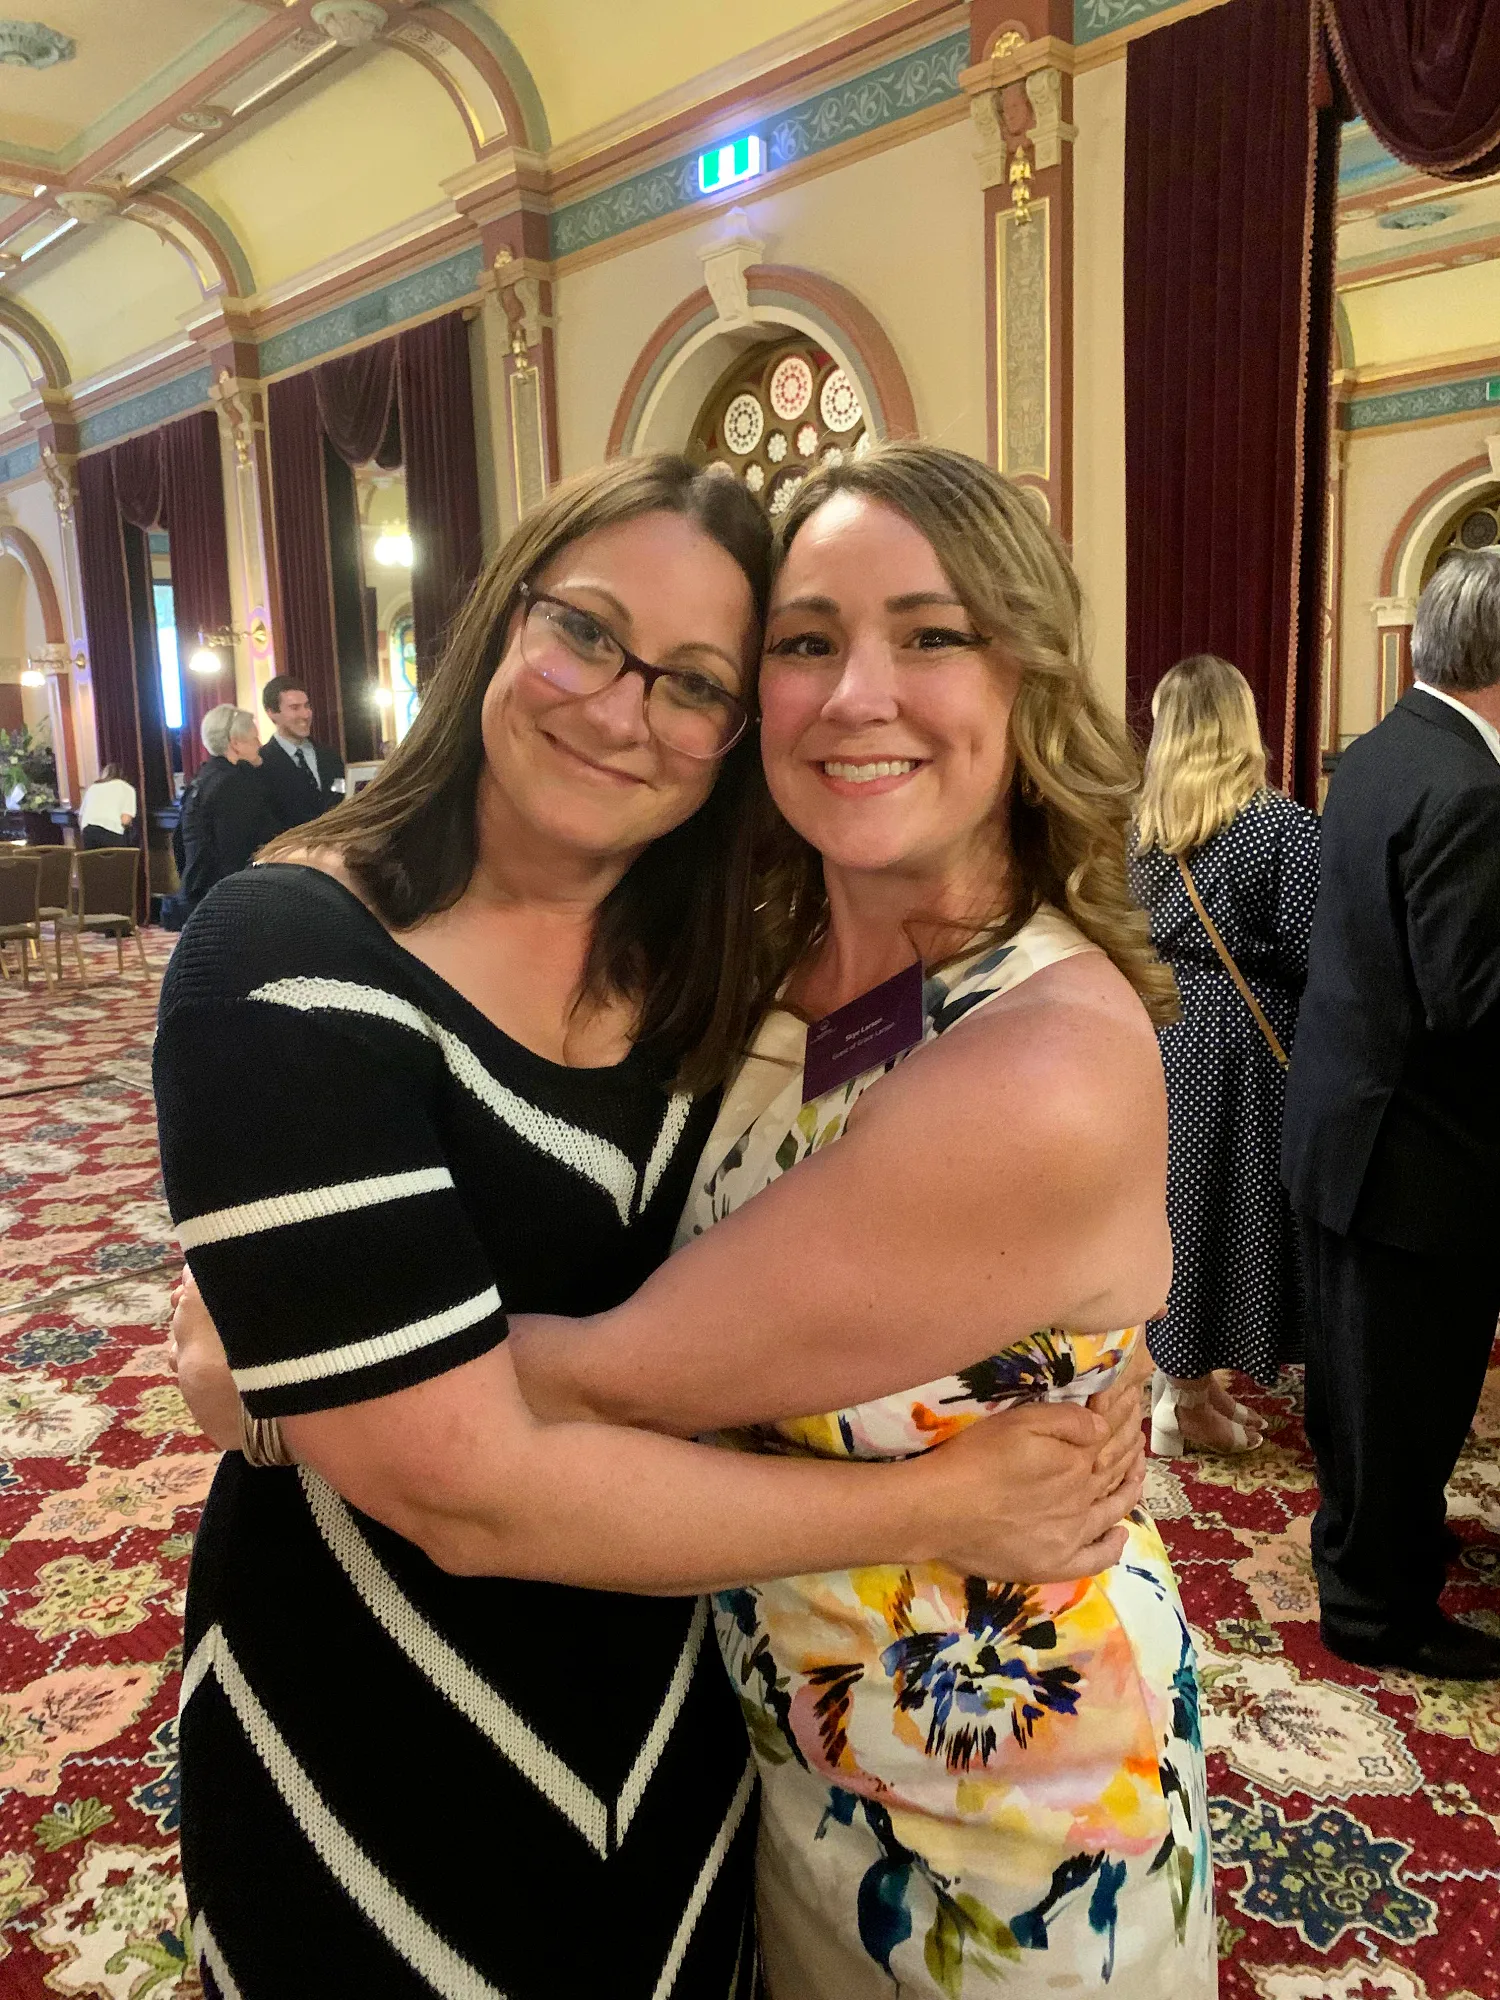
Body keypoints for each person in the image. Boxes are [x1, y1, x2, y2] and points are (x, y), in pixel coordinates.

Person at [158, 455, 1150, 2000]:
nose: (625, 710)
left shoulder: (877, 1013)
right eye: (587, 632)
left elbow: (591, 1381)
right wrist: (344, 1381)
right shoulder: (710, 962)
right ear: (502, 618)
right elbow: (470, 1472)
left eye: (694, 682)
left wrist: (297, 1386)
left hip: (886, 1760)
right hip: (401, 1721)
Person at [1283, 547, 1500, 1682]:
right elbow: (1471, 999)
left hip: (1348, 1129)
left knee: (1357, 1394)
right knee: (1403, 1399)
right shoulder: (1471, 789)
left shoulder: (1380, 748)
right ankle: (1378, 1611)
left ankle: (1372, 1550)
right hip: (1417, 1156)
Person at [1131, 655, 1320, 1456]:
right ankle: (1184, 1402)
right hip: (1249, 1042)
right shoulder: (1281, 827)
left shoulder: (1138, 829)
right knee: (1234, 1212)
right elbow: (1313, 950)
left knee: (1174, 1212)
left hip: (1161, 1032)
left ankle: (1185, 1388)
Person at [177, 705, 280, 913]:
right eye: (254, 738)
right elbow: (237, 851)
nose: (260, 745)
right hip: (228, 898)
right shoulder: (233, 784)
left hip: (199, 891)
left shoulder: (202, 779)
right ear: (235, 743)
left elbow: (178, 843)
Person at [257, 675, 347, 828]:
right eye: (295, 708)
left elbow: (341, 797)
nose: (305, 714)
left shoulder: (330, 756)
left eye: (307, 706)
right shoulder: (262, 763)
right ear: (271, 712)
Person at [77, 760, 136, 848]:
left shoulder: (93, 788)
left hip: (89, 832)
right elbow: (125, 820)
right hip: (112, 832)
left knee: (93, 857)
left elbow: (81, 817)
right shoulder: (127, 788)